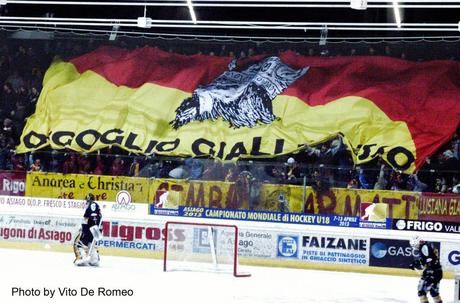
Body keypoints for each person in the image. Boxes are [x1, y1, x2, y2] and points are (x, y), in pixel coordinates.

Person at [409, 236, 443, 303]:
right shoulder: (428, 244)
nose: (415, 247)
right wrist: (416, 263)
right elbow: (430, 258)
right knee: (434, 292)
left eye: (414, 245)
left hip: (431, 272)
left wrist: (417, 263)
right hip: (437, 271)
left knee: (421, 292)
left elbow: (429, 259)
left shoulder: (424, 247)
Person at [73, 193, 102, 266]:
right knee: (91, 243)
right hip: (96, 228)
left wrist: (82, 227)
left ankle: (81, 258)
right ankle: (94, 260)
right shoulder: (97, 206)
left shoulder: (88, 205)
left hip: (88, 227)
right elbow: (100, 217)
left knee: (78, 243)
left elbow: (86, 218)